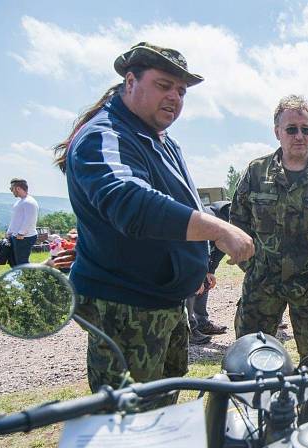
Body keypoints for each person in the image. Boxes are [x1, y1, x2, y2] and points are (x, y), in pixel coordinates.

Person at [54, 42, 254, 393]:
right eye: (164, 85)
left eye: (181, 91)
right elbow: (130, 203)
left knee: (162, 418)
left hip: (163, 304)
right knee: (132, 429)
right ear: (130, 82)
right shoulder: (106, 135)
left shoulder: (161, 141)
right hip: (128, 310)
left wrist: (193, 269)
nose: (175, 97)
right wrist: (219, 228)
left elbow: (182, 204)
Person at [230, 95, 308, 359]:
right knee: (251, 360)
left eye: (306, 130)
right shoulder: (256, 172)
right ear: (277, 132)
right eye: (291, 129)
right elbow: (238, 223)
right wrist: (251, 266)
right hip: (261, 284)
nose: (300, 136)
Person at [187, 200, 231, 345]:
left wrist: (209, 270)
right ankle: (189, 329)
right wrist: (199, 272)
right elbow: (194, 245)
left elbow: (220, 249)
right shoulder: (208, 217)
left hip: (201, 252)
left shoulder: (230, 220)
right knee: (191, 285)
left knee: (206, 282)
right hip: (189, 252)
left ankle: (202, 323)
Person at [6, 179, 39, 266]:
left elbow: (29, 219)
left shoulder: (29, 202)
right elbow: (15, 219)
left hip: (24, 237)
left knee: (22, 262)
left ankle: (28, 279)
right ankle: (20, 278)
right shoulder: (21, 201)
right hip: (17, 236)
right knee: (14, 261)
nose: (11, 191)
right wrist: (9, 232)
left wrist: (21, 233)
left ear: (17, 188)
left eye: (11, 188)